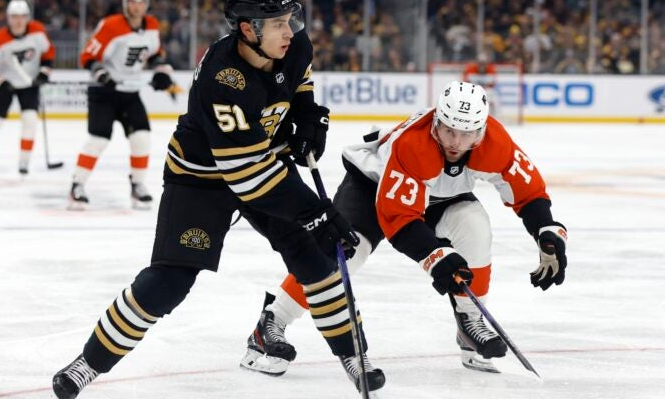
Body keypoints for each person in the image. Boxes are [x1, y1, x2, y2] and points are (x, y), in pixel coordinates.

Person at [52, 0, 385, 398]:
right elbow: (247, 177)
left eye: (291, 19)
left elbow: (299, 84)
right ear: (248, 30)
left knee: (317, 261)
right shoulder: (223, 78)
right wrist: (315, 212)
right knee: (169, 282)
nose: (291, 30)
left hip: (264, 162)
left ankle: (353, 354)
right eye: (279, 23)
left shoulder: (294, 44)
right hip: (202, 179)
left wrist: (310, 118)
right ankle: (88, 363)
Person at [241, 80, 568, 375]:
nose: (456, 142)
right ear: (436, 122)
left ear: (482, 130)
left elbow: (528, 192)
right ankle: (272, 321)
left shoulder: (495, 142)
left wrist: (547, 230)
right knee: (343, 253)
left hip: (437, 195)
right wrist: (435, 255)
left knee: (475, 226)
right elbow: (398, 218)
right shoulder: (415, 145)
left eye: (467, 134)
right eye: (449, 130)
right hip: (371, 189)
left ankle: (469, 320)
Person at [68, 0, 182, 210]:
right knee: (98, 140)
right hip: (104, 92)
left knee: (141, 138)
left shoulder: (152, 25)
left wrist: (161, 72)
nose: (137, 7)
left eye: (141, 2)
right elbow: (87, 56)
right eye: (132, 2)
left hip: (130, 92)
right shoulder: (110, 26)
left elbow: (155, 54)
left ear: (146, 5)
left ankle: (137, 185)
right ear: (125, 4)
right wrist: (101, 74)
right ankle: (76, 186)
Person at [0, 0, 55, 176]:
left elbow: (48, 52)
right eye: (14, 17)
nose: (18, 21)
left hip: (29, 84)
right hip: (5, 84)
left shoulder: (38, 31)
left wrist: (44, 73)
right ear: (8, 18)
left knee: (30, 120)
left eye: (22, 16)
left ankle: (24, 162)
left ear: (28, 18)